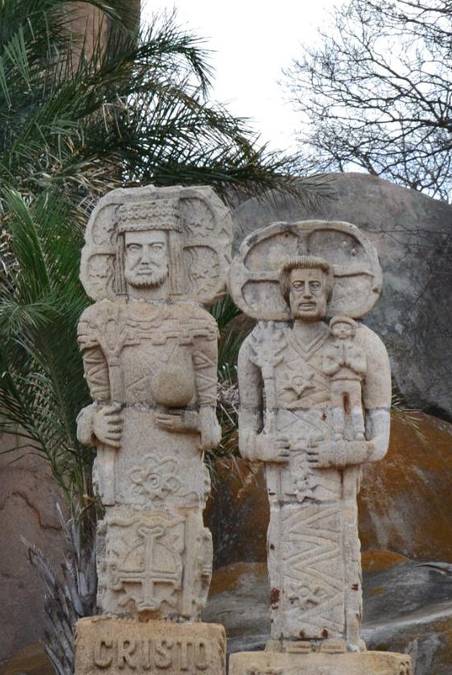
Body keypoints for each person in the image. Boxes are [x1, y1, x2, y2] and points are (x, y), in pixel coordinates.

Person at [236, 255, 391, 652]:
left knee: (338, 550)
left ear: (330, 292)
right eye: (298, 287)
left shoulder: (358, 343)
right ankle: (290, 638)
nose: (306, 294)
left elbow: (380, 440)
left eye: (315, 286)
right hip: (285, 481)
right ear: (284, 294)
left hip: (334, 486)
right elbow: (246, 432)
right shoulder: (259, 344)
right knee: (285, 553)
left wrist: (348, 450)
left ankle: (339, 637)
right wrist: (260, 445)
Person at [76, 196, 221, 619]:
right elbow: (95, 405)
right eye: (134, 248)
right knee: (124, 557)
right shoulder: (97, 321)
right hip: (124, 465)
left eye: (155, 247)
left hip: (177, 467)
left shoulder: (197, 323)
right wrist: (92, 424)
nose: (144, 258)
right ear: (119, 255)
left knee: (178, 564)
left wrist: (194, 420)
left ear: (174, 252)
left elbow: (210, 423)